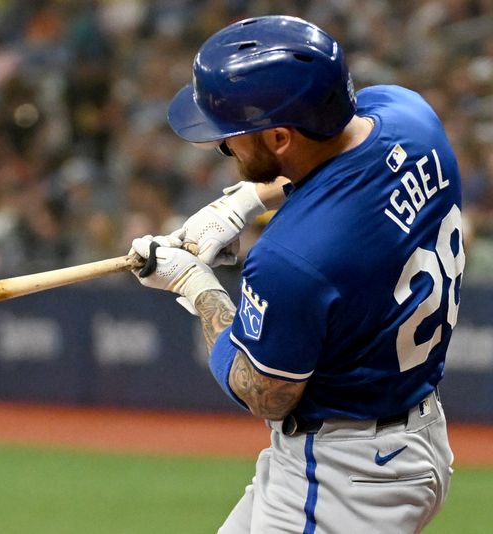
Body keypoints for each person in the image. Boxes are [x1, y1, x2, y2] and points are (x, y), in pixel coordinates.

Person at [129, 15, 461, 533]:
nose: (224, 147)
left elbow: (265, 392)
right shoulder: (410, 115)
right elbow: (346, 159)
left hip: (343, 477)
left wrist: (196, 288)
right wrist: (243, 202)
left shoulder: (291, 259)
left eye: (230, 135)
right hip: (401, 441)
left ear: (280, 136)